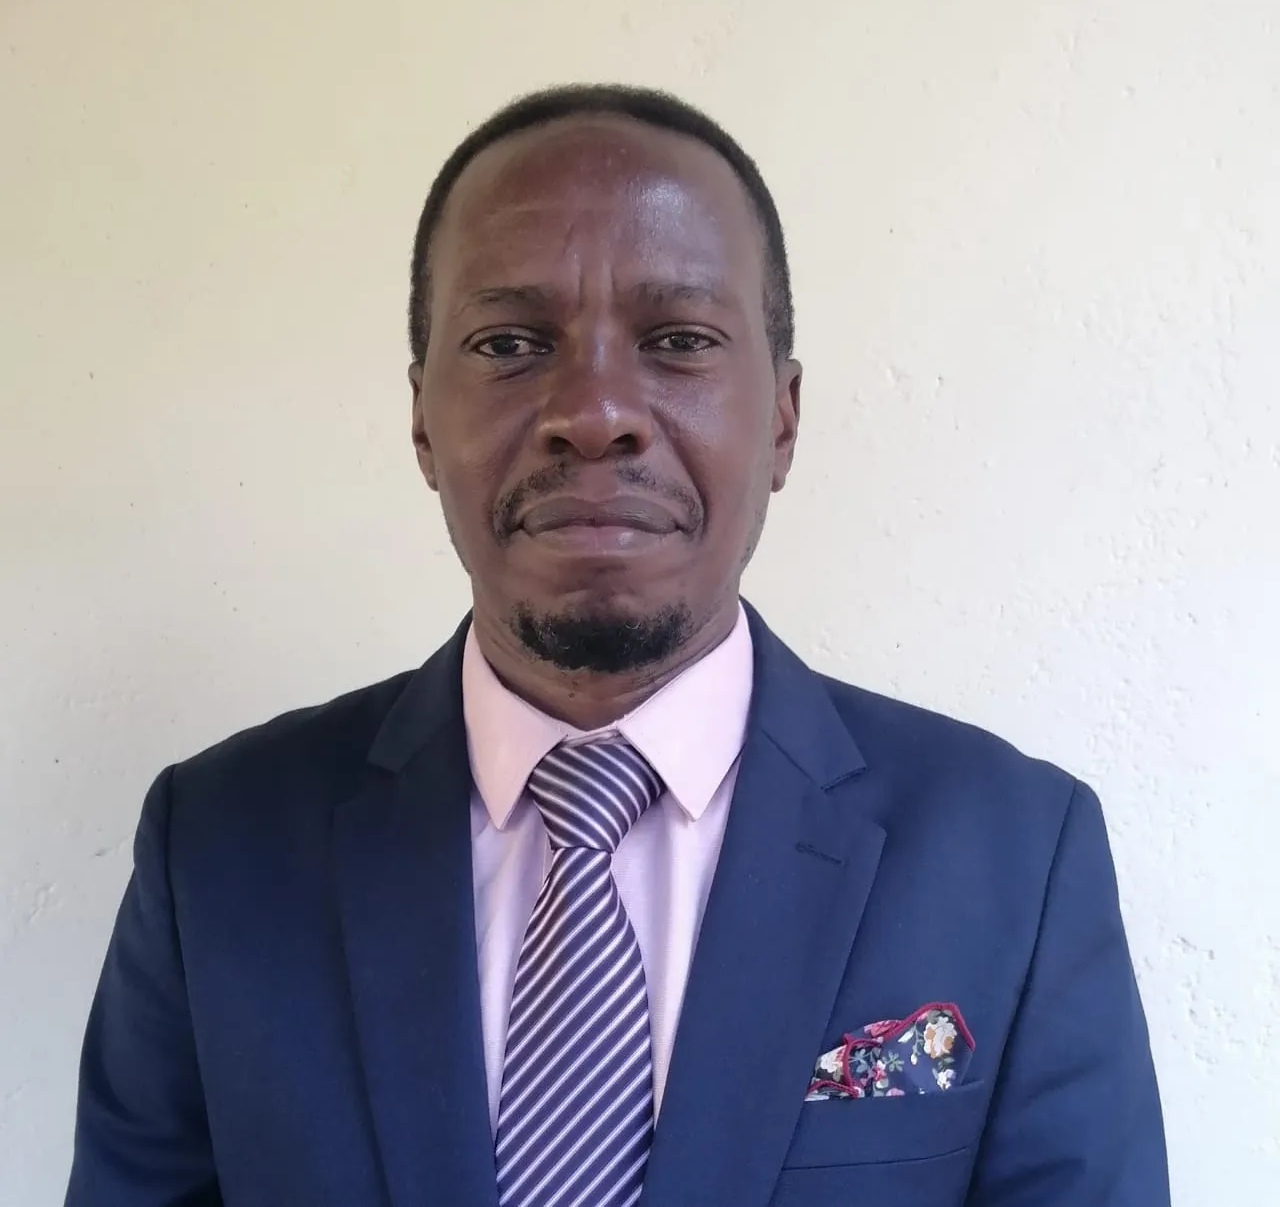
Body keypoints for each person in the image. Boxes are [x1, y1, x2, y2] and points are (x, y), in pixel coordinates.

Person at [65, 84, 1170, 1207]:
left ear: (782, 418)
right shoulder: (217, 848)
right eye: (509, 342)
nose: (592, 411)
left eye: (678, 340)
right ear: (420, 422)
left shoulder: (1011, 853)